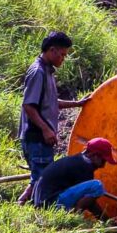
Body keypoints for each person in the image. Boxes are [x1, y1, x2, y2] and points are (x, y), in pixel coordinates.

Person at [17, 31, 89, 204]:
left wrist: (78, 104)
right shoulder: (38, 72)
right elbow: (28, 105)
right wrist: (46, 130)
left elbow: (50, 102)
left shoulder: (47, 72)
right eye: (62, 54)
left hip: (41, 138)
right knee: (44, 181)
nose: (63, 59)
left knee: (39, 177)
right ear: (52, 50)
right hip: (37, 137)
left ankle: (21, 203)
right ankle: (37, 213)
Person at [33, 138, 117, 218]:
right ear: (94, 155)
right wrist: (105, 219)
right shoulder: (84, 167)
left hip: (42, 203)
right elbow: (91, 204)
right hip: (50, 204)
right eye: (103, 161)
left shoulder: (76, 160)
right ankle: (74, 218)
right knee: (97, 186)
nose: (103, 166)